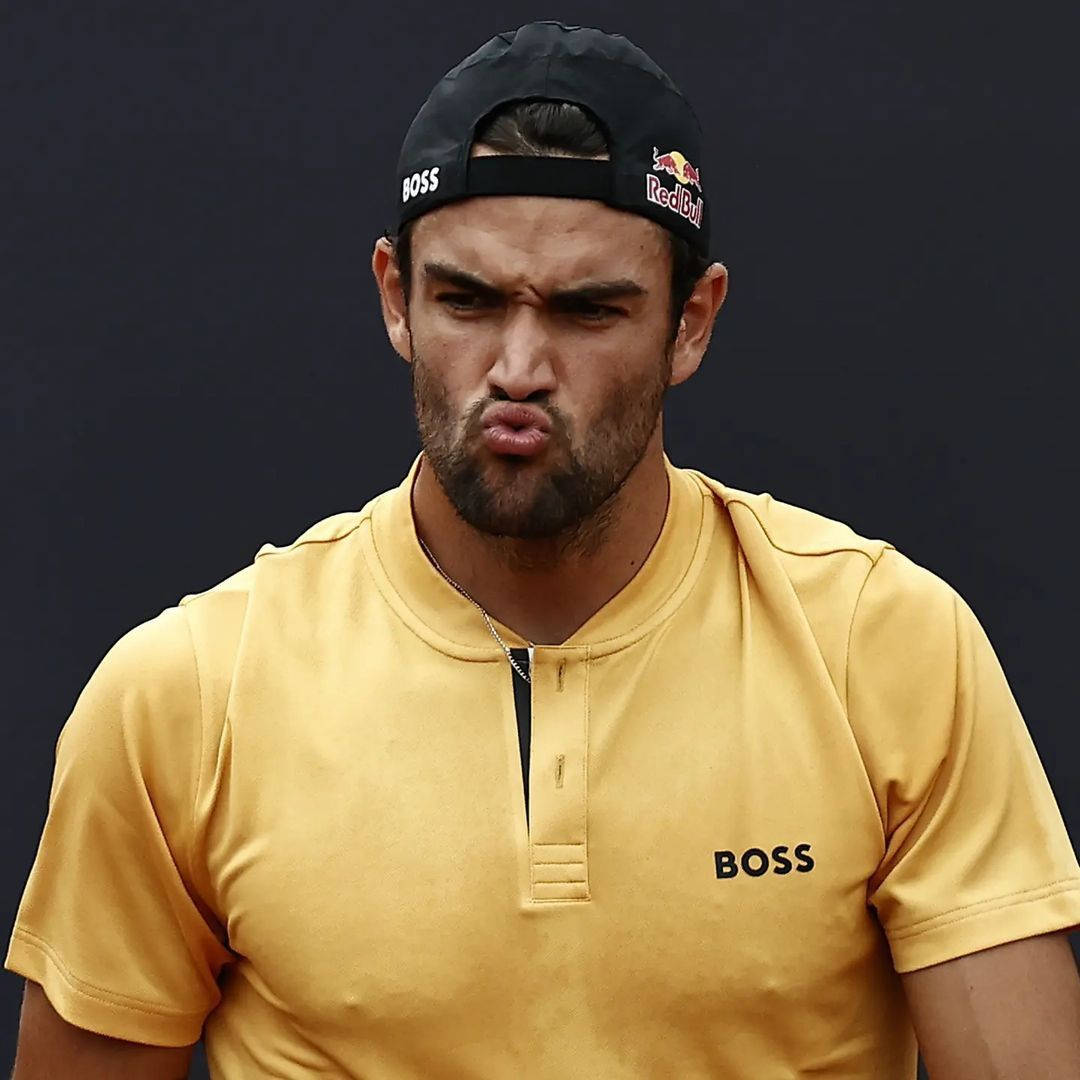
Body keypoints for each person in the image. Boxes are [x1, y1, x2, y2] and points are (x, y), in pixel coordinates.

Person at [6, 19, 1080, 1080]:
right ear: (396, 297)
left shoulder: (885, 650)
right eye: (466, 301)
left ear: (691, 322)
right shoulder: (186, 696)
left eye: (588, 311)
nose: (517, 368)